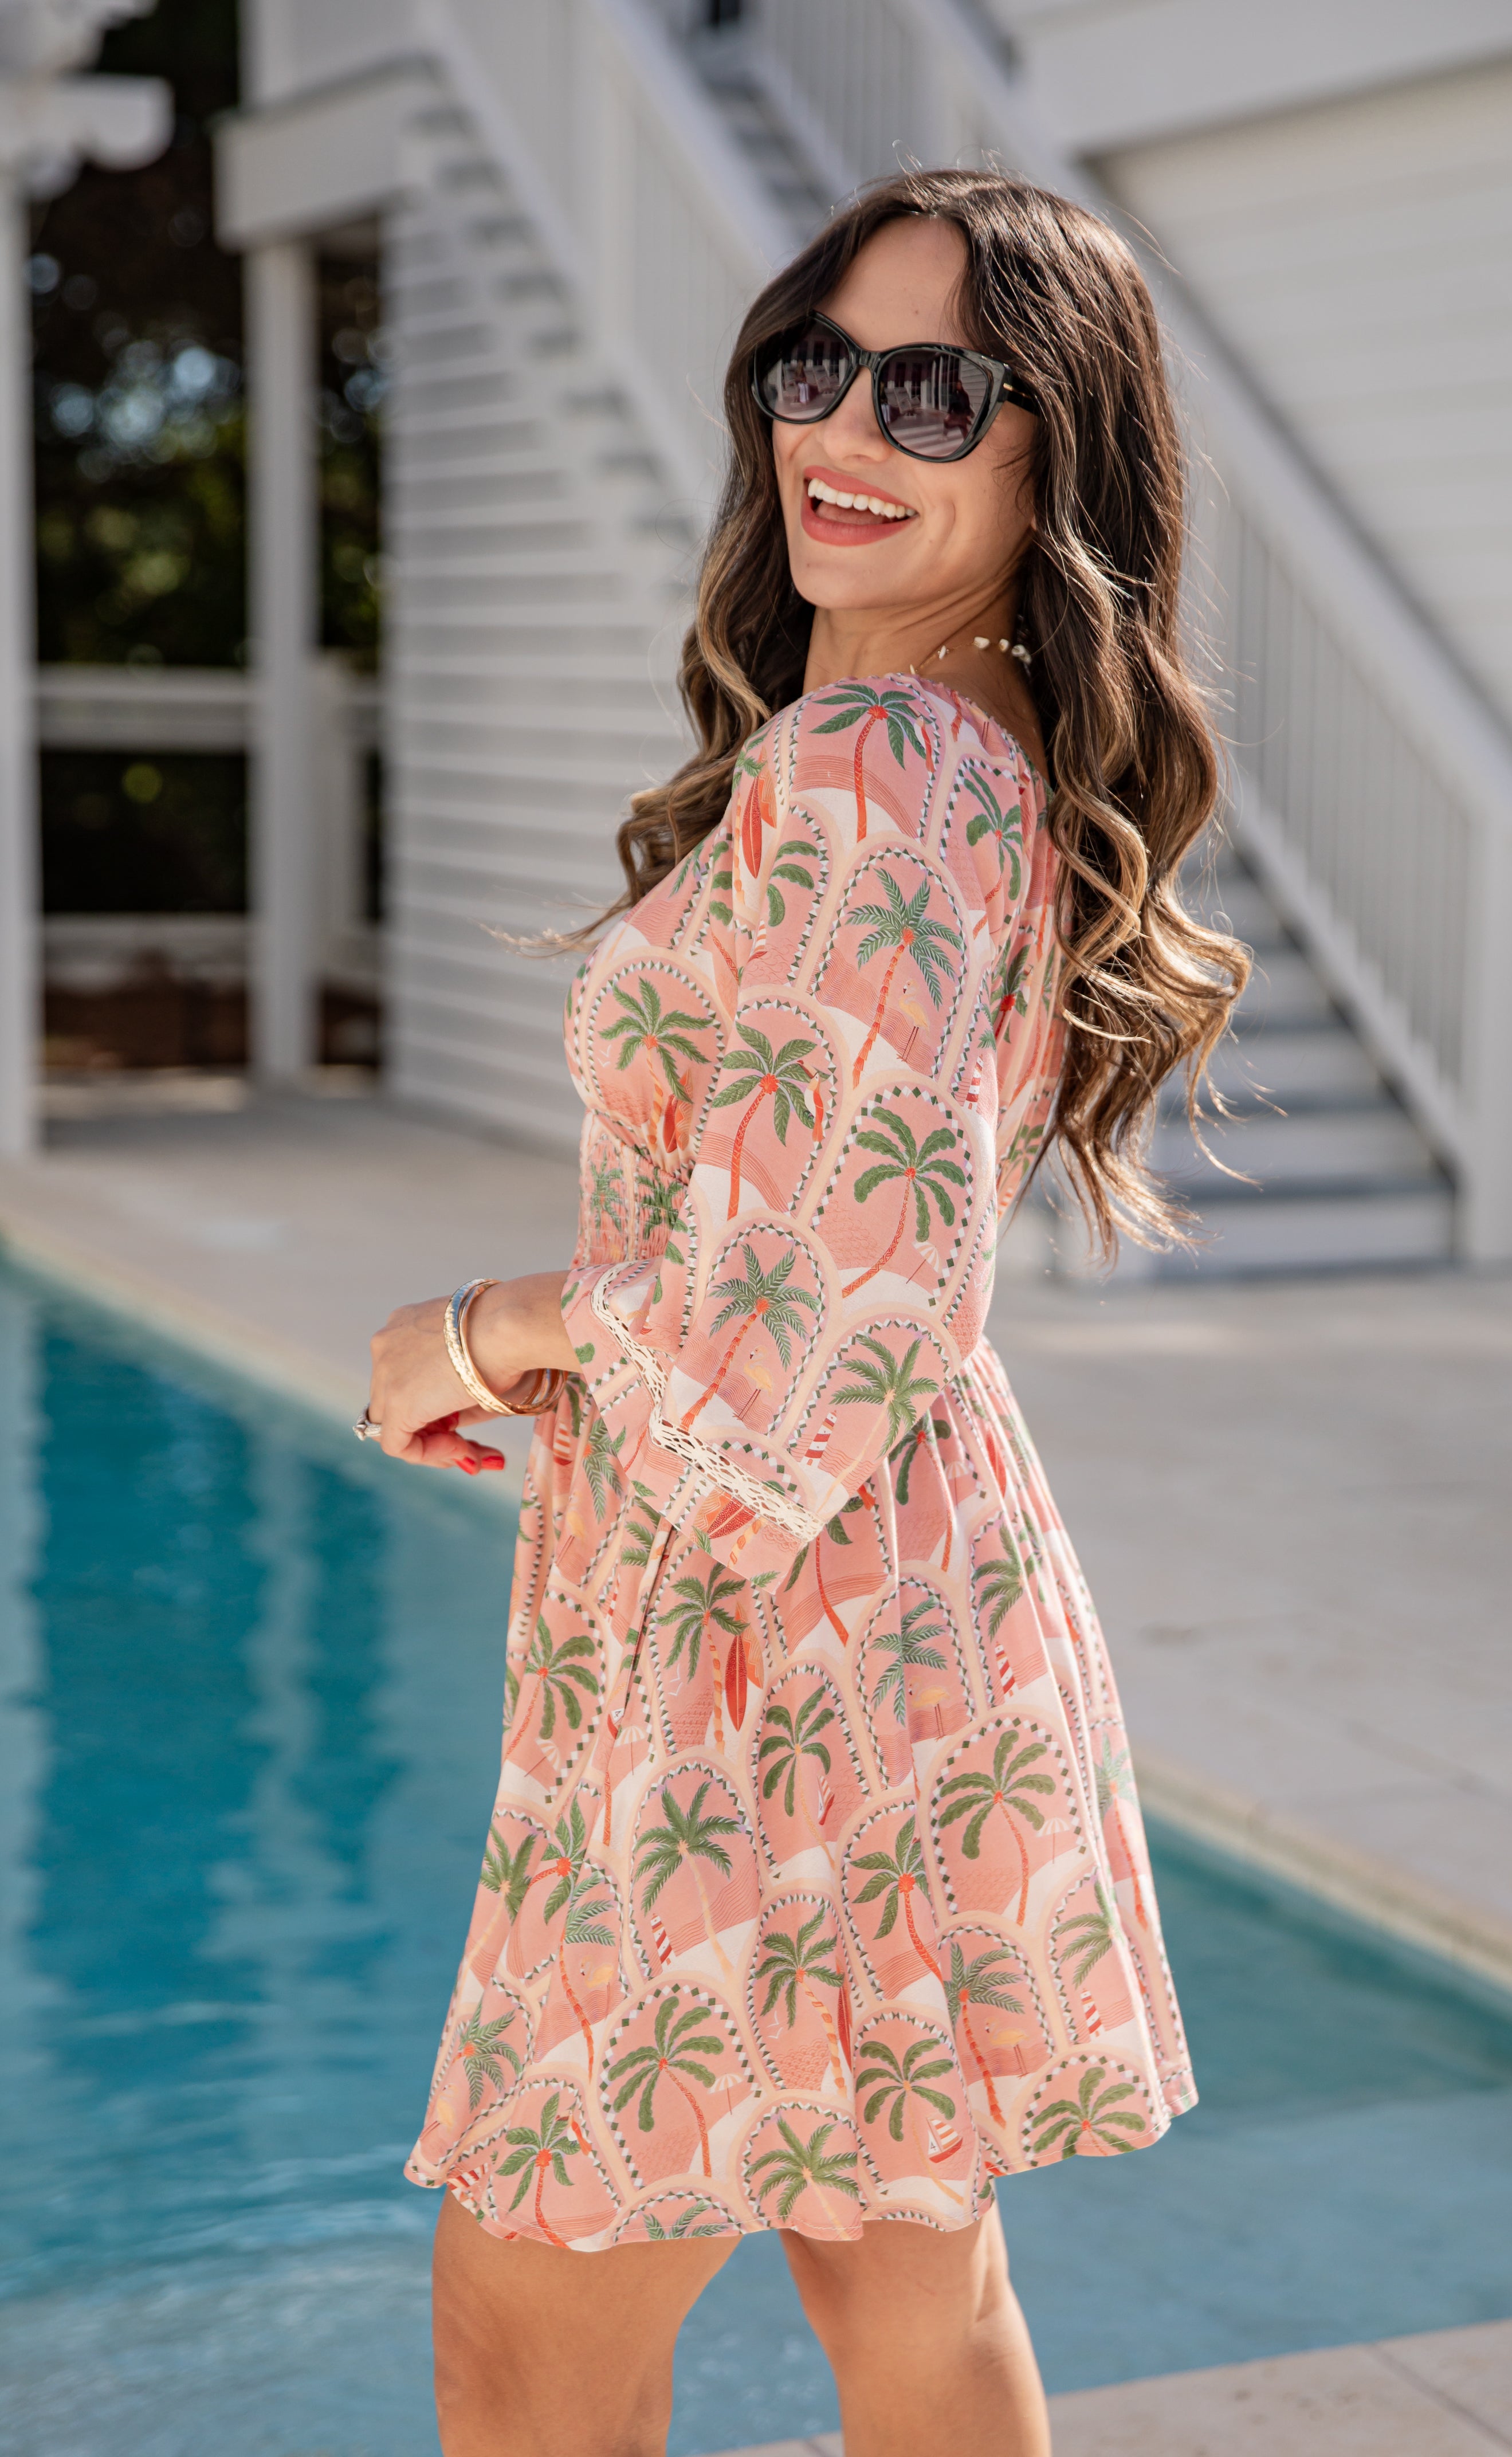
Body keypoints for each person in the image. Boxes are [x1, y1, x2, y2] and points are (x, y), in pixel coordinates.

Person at [363, 167, 1247, 2457]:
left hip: (756, 1656)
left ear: (1055, 451)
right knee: (910, 2300)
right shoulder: (962, 754)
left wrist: (482, 1328)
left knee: (525, 2327)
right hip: (884, 1607)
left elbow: (811, 1306)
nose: (846, 426)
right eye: (813, 365)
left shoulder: (873, 774)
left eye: (937, 388)